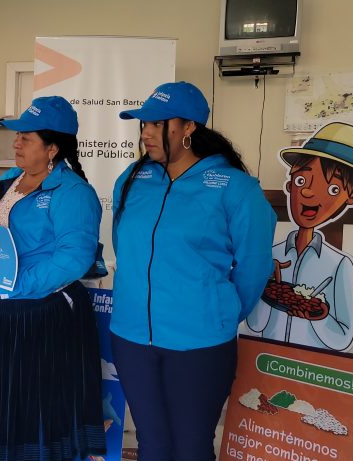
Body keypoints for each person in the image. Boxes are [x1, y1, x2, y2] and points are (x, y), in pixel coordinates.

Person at [109, 81, 275, 460]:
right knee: (152, 443)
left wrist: (223, 312)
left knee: (191, 447)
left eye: (157, 123)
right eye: (143, 124)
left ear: (189, 128)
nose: (146, 133)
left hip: (198, 344)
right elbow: (127, 247)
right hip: (132, 336)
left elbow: (254, 265)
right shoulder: (133, 181)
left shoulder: (233, 187)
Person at [0, 96, 106, 461]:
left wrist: (12, 287)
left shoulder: (73, 194)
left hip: (39, 320)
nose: (15, 143)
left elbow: (75, 259)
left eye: (27, 137)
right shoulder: (8, 181)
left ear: (52, 148)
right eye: (17, 136)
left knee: (32, 419)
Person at [245, 121, 353, 351]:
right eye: (301, 181)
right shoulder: (271, 254)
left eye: (333, 189)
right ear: (290, 185)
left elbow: (343, 338)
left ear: (352, 198)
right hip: (266, 364)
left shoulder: (340, 265)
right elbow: (254, 324)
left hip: (313, 372)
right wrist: (263, 283)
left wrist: (319, 315)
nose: (308, 192)